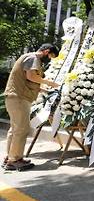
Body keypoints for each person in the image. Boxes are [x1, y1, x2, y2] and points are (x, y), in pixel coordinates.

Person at [2, 43, 60, 171]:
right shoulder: (33, 58)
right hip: (19, 99)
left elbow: (28, 81)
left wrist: (44, 90)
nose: (49, 59)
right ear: (46, 51)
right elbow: (31, 76)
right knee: (21, 129)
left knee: (15, 129)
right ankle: (14, 160)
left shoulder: (28, 57)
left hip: (15, 97)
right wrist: (49, 82)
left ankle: (11, 157)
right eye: (50, 56)